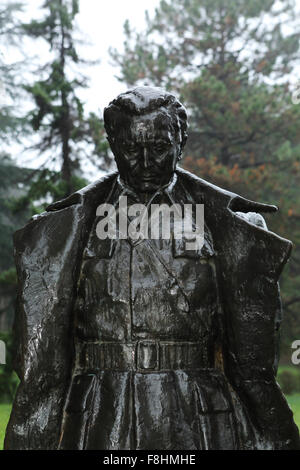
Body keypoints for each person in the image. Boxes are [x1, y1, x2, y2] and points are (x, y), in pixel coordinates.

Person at [5, 86, 300, 450]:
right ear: (112, 143)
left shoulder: (234, 227)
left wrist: (276, 437)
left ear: (182, 139)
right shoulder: (65, 228)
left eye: (159, 147)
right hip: (100, 413)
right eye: (131, 148)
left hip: (196, 414)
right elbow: (42, 367)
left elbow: (253, 367)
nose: (145, 162)